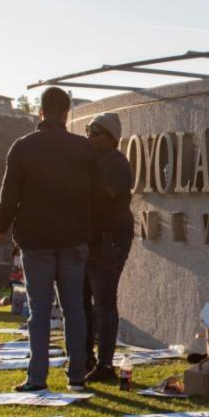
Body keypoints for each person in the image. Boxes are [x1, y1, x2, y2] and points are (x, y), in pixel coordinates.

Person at [0, 87, 102, 393]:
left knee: (39, 311)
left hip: (35, 240)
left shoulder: (23, 147)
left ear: (40, 112)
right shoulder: (84, 149)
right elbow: (98, 194)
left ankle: (37, 377)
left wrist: (0, 227)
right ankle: (77, 374)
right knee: (74, 309)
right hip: (75, 239)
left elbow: (8, 195)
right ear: (67, 114)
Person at [81, 112, 134, 383]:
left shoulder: (117, 163)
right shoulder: (94, 160)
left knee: (103, 302)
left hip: (109, 240)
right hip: (88, 240)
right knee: (82, 302)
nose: (89, 136)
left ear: (111, 138)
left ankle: (105, 364)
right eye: (88, 130)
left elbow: (108, 193)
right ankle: (85, 357)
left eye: (95, 131)